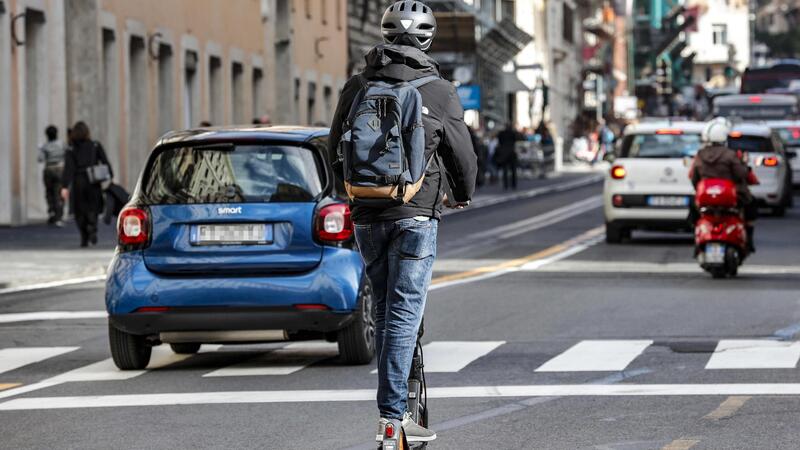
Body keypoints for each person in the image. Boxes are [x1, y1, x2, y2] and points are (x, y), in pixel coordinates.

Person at [328, 1, 477, 443]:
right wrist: (462, 194)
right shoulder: (440, 90)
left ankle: (399, 401)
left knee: (386, 308)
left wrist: (353, 193)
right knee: (404, 315)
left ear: (385, 35)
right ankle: (393, 416)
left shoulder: (357, 86)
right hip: (415, 215)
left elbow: (335, 145)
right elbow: (462, 154)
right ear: (428, 38)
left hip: (366, 216)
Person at [690, 118, 757, 252]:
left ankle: (696, 235)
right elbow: (740, 174)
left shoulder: (700, 155)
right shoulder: (730, 155)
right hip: (731, 196)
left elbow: (694, 177)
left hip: (706, 197)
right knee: (751, 204)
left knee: (693, 210)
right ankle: (749, 240)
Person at [61, 122, 114, 247]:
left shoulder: (71, 149)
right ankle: (93, 228)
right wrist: (111, 176)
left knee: (79, 210)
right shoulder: (95, 145)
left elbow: (68, 169)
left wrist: (64, 186)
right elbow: (105, 161)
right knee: (93, 207)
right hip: (93, 181)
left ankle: (84, 236)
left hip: (78, 181)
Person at [38, 125, 67, 226]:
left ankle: (51, 211)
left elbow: (40, 159)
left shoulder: (44, 146)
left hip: (49, 169)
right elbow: (66, 155)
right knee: (59, 193)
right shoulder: (62, 144)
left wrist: (41, 149)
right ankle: (59, 216)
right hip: (60, 169)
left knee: (49, 192)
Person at [495, 123, 523, 190]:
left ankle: (506, 185)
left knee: (505, 170)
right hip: (511, 152)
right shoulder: (513, 133)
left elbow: (499, 141)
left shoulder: (502, 133)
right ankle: (513, 185)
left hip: (504, 153)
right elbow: (518, 139)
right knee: (513, 169)